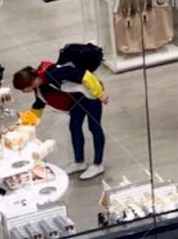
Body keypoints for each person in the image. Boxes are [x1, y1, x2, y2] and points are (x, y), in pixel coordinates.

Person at [12, 44, 108, 180]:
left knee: (94, 128)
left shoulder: (52, 74)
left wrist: (100, 94)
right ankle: (79, 162)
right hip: (78, 99)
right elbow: (39, 104)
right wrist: (24, 124)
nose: (24, 92)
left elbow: (84, 75)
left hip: (91, 95)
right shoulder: (40, 85)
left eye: (23, 89)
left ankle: (98, 164)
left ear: (29, 83)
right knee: (74, 127)